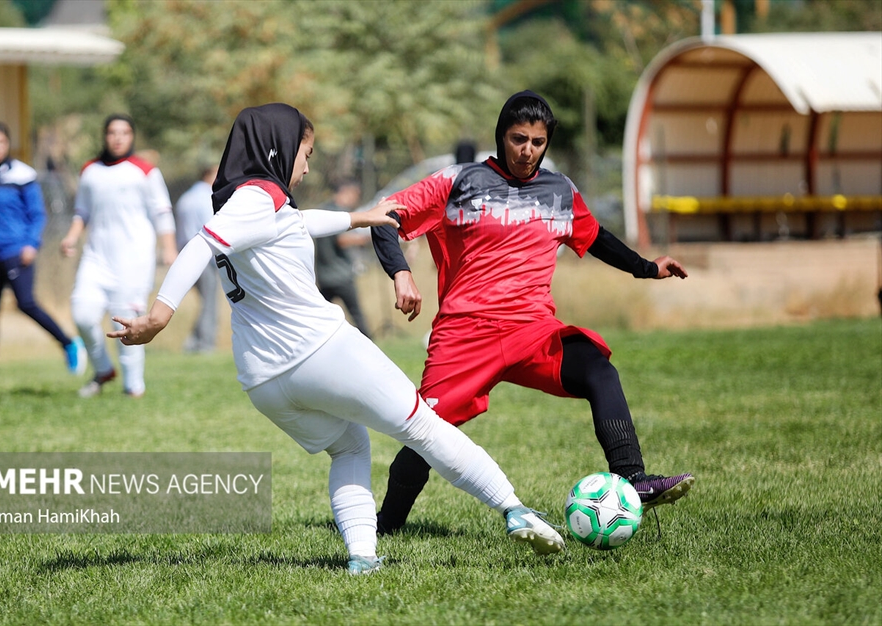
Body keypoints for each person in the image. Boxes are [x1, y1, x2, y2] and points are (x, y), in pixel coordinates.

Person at [107, 103, 566, 574]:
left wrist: (358, 218)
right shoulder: (259, 195)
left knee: (349, 446)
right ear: (278, 148)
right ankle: (515, 509)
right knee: (424, 425)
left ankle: (363, 558)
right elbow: (199, 246)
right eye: (304, 153)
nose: (306, 165)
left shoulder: (243, 201)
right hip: (321, 352)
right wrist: (159, 316)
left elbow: (297, 223)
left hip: (263, 380)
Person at [370, 91, 695, 535]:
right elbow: (385, 216)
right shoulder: (458, 181)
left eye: (537, 142)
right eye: (518, 139)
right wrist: (401, 273)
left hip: (533, 328)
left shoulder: (560, 191)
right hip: (466, 333)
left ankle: (632, 477)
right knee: (428, 432)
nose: (527, 150)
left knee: (598, 369)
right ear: (501, 136)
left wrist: (646, 268)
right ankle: (385, 526)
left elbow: (594, 235)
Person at [0, 122, 85, 377]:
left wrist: (31, 243)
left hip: (16, 251)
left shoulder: (22, 176)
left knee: (26, 303)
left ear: (7, 144)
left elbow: (37, 215)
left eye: (0, 143)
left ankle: (69, 343)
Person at [60, 114, 177, 398]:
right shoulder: (89, 170)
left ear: (132, 136)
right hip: (96, 258)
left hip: (133, 261)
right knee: (82, 313)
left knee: (125, 323)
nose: (118, 137)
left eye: (124, 132)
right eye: (113, 132)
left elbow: (162, 212)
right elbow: (82, 212)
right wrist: (72, 236)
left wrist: (169, 247)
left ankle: (133, 387)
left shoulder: (145, 171)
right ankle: (103, 369)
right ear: (105, 135)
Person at [314, 178, 373, 337]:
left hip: (324, 276)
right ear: (347, 192)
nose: (356, 199)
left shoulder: (323, 210)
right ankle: (369, 343)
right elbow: (342, 239)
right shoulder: (338, 213)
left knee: (320, 319)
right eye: (356, 195)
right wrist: (366, 238)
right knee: (356, 314)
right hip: (340, 275)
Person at [174, 164, 220, 353]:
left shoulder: (186, 198)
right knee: (210, 303)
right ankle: (204, 344)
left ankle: (193, 341)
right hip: (205, 258)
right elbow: (212, 228)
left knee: (204, 302)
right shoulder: (207, 198)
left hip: (185, 254)